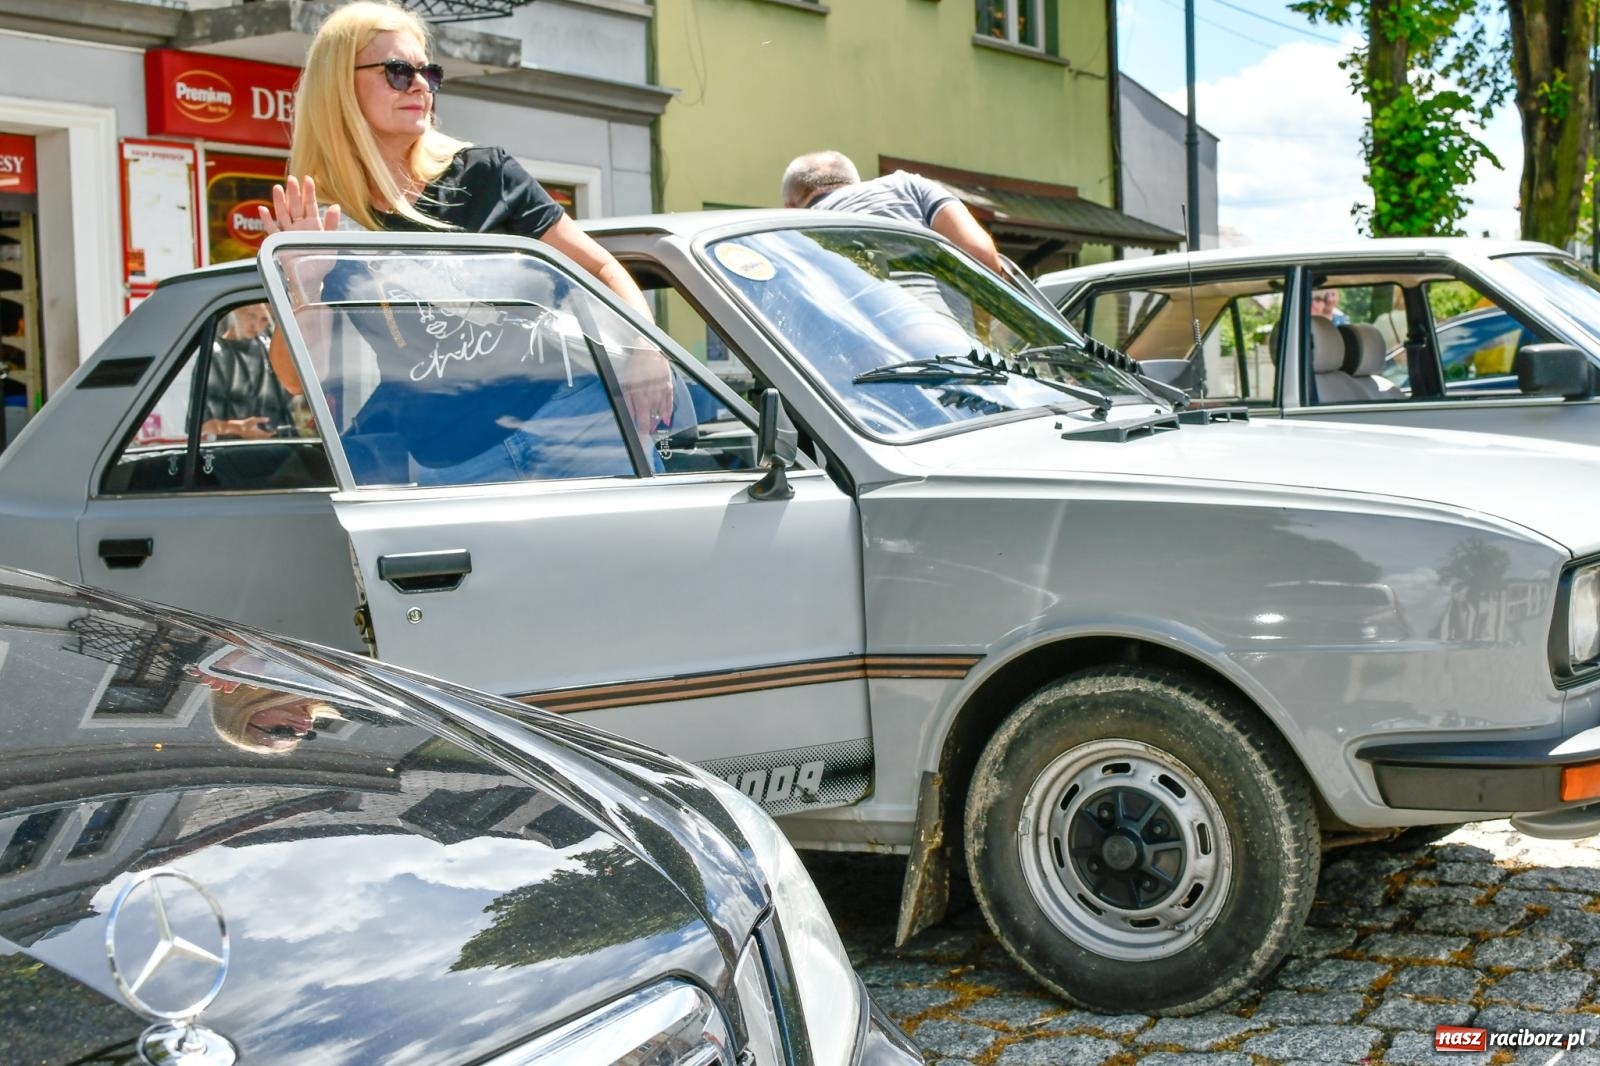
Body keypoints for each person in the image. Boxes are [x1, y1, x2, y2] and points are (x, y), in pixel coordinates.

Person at [260, 0, 671, 475]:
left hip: (576, 420)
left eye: (427, 72)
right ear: (337, 87)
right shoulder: (325, 220)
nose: (418, 85)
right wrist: (304, 284)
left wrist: (646, 350)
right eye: (397, 71)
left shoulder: (483, 173)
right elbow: (296, 381)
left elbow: (600, 268)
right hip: (457, 462)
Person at [780, 150, 1008, 277]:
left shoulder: (792, 234)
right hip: (955, 349)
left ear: (789, 208)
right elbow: (979, 253)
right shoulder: (906, 186)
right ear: (856, 184)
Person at [201, 302, 298, 441]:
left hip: (283, 447)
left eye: (264, 319)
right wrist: (239, 429)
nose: (256, 325)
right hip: (235, 453)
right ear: (237, 311)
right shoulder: (215, 355)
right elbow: (203, 423)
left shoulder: (270, 349)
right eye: (251, 315)